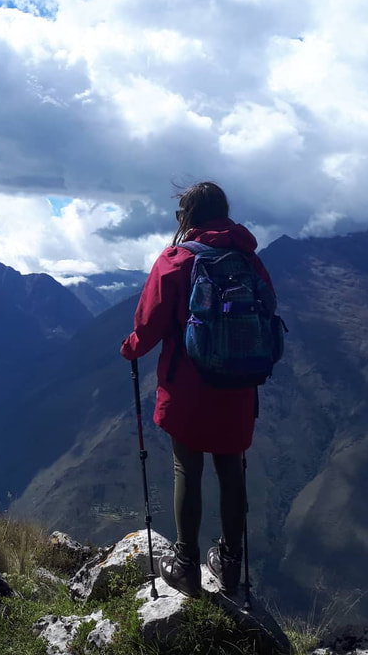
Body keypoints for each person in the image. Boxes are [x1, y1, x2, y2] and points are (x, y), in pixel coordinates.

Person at [120, 181, 275, 598]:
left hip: (188, 386)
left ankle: (186, 563)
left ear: (188, 216)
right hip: (239, 385)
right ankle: (229, 562)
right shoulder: (248, 260)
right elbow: (269, 313)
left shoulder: (176, 260)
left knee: (187, 467)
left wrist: (130, 348)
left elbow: (149, 324)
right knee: (230, 468)